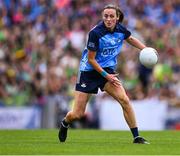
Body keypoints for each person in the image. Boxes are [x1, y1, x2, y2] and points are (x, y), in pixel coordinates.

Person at [58, 4, 150, 144]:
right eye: (106, 16)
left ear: (117, 18)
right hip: (88, 72)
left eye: (111, 16)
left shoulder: (120, 29)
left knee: (124, 100)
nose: (108, 19)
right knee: (77, 114)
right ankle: (65, 122)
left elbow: (130, 39)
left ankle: (136, 137)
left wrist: (146, 49)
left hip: (107, 71)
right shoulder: (95, 33)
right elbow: (91, 59)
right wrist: (106, 76)